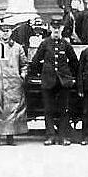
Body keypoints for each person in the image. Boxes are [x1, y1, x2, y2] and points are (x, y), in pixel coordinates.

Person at [28, 17, 79, 146]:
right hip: (48, 81)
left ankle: (63, 137)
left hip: (63, 82)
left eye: (59, 28)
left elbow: (74, 62)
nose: (56, 30)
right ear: (50, 28)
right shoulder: (45, 44)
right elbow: (35, 62)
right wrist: (43, 72)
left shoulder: (66, 44)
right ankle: (50, 136)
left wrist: (71, 77)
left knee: (64, 109)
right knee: (48, 109)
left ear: (62, 29)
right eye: (54, 28)